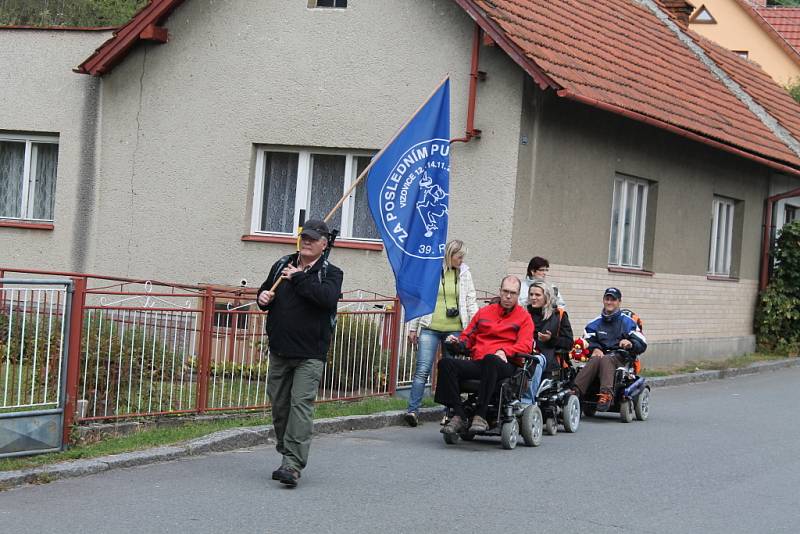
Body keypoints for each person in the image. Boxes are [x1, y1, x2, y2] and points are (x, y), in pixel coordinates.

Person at [256, 219, 343, 488]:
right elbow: (264, 290)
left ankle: (292, 465)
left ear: (324, 243)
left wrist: (299, 277)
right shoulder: (282, 264)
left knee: (300, 407)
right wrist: (262, 299)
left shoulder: (331, 272)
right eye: (303, 237)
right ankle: (287, 451)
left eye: (312, 238)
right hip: (280, 349)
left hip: (310, 353)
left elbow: (326, 299)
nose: (306, 241)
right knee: (280, 406)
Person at [434, 276, 534, 435]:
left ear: (518, 295)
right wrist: (457, 343)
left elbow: (526, 345)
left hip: (505, 364)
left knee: (491, 359)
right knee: (446, 363)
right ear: (500, 291)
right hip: (481, 362)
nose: (508, 296)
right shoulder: (484, 312)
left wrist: (504, 351)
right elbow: (468, 337)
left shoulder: (524, 317)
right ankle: (459, 414)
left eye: (513, 293)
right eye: (505, 292)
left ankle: (480, 415)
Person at [404, 239, 478, 427]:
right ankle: (412, 410)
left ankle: (449, 413)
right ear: (449, 255)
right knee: (422, 369)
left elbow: (470, 301)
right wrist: (413, 327)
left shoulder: (465, 274)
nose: (461, 260)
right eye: (459, 257)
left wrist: (475, 329)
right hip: (429, 326)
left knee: (451, 373)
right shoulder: (432, 271)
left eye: (463, 257)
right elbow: (420, 299)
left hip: (454, 329)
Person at [571, 287, 646, 412]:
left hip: (620, 357)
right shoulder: (594, 323)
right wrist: (595, 348)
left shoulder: (628, 323)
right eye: (607, 299)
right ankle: (576, 390)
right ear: (603, 300)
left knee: (606, 359)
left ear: (619, 302)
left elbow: (642, 343)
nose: (609, 302)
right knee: (596, 359)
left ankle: (606, 394)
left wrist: (630, 343)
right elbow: (587, 341)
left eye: (613, 299)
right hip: (600, 357)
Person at [521, 281, 573, 405]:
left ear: (547, 297)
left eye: (537, 295)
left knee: (535, 361)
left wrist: (551, 340)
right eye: (531, 294)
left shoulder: (558, 315)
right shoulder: (523, 313)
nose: (533, 298)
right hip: (523, 352)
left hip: (547, 356)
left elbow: (569, 343)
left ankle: (527, 403)